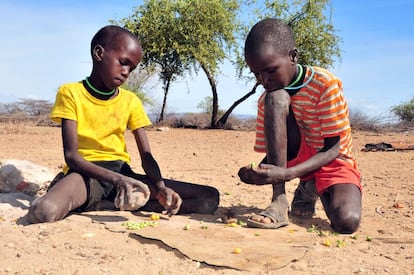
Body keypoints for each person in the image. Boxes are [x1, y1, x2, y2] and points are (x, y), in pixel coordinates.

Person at [28, 25, 219, 223]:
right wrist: (118, 181)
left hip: (122, 172)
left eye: (132, 68)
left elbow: (146, 157)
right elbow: (72, 156)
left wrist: (161, 187)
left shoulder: (130, 101)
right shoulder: (71, 93)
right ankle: (91, 198)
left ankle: (108, 203)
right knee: (44, 211)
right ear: (99, 53)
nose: (126, 72)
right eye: (123, 63)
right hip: (85, 175)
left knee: (208, 198)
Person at [238, 18, 362, 234]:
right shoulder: (267, 99)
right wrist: (257, 171)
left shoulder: (325, 84)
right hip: (297, 159)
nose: (263, 80)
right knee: (275, 98)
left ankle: (311, 186)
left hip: (333, 159)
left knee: (346, 222)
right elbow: (274, 154)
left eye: (270, 70)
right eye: (256, 74)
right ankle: (279, 202)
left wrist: (287, 173)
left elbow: (334, 148)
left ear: (293, 56)